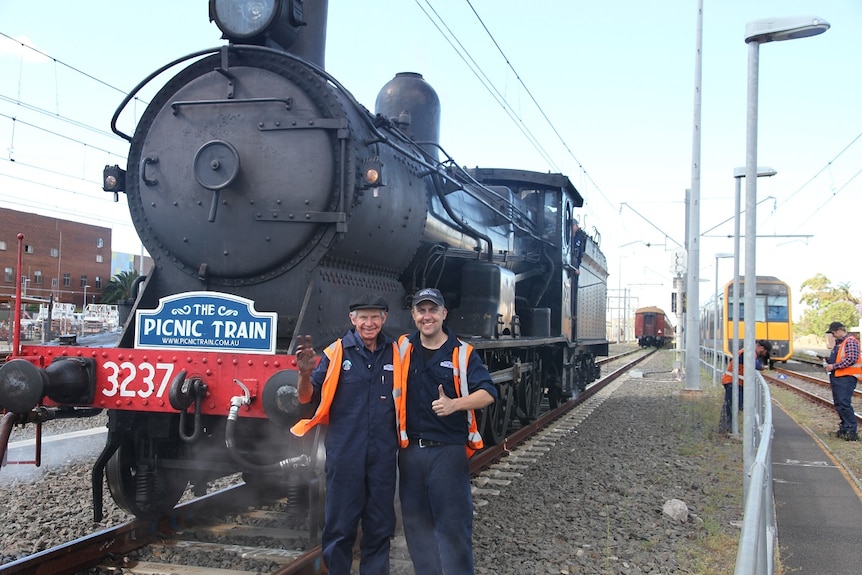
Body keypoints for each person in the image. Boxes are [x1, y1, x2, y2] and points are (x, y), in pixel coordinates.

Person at [291, 294, 399, 574]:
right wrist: (304, 375)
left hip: (383, 456)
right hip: (345, 454)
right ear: (352, 320)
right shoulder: (334, 353)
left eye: (375, 316)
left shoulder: (397, 353)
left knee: (379, 526)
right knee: (339, 526)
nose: (369, 323)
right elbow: (307, 399)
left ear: (384, 318)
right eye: (363, 317)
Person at [397, 287, 497, 575]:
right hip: (410, 452)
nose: (426, 316)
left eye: (432, 310)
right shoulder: (403, 347)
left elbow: (488, 392)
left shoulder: (462, 352)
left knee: (453, 528)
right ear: (413, 315)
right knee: (416, 529)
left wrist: (456, 405)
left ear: (443, 314)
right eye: (421, 310)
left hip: (447, 452)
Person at [718, 339, 771, 433]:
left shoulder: (747, 351)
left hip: (734, 382)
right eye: (765, 352)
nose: (763, 354)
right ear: (762, 348)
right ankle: (727, 429)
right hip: (733, 382)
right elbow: (755, 364)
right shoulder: (748, 352)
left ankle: (727, 428)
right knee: (732, 406)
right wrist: (762, 367)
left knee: (733, 406)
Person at [823, 321, 861, 441]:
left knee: (844, 403)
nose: (832, 335)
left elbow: (851, 359)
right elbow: (842, 358)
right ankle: (845, 427)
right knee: (839, 403)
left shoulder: (850, 341)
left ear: (839, 330)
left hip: (847, 377)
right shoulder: (839, 343)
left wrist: (833, 366)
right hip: (839, 376)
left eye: (833, 333)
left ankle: (851, 429)